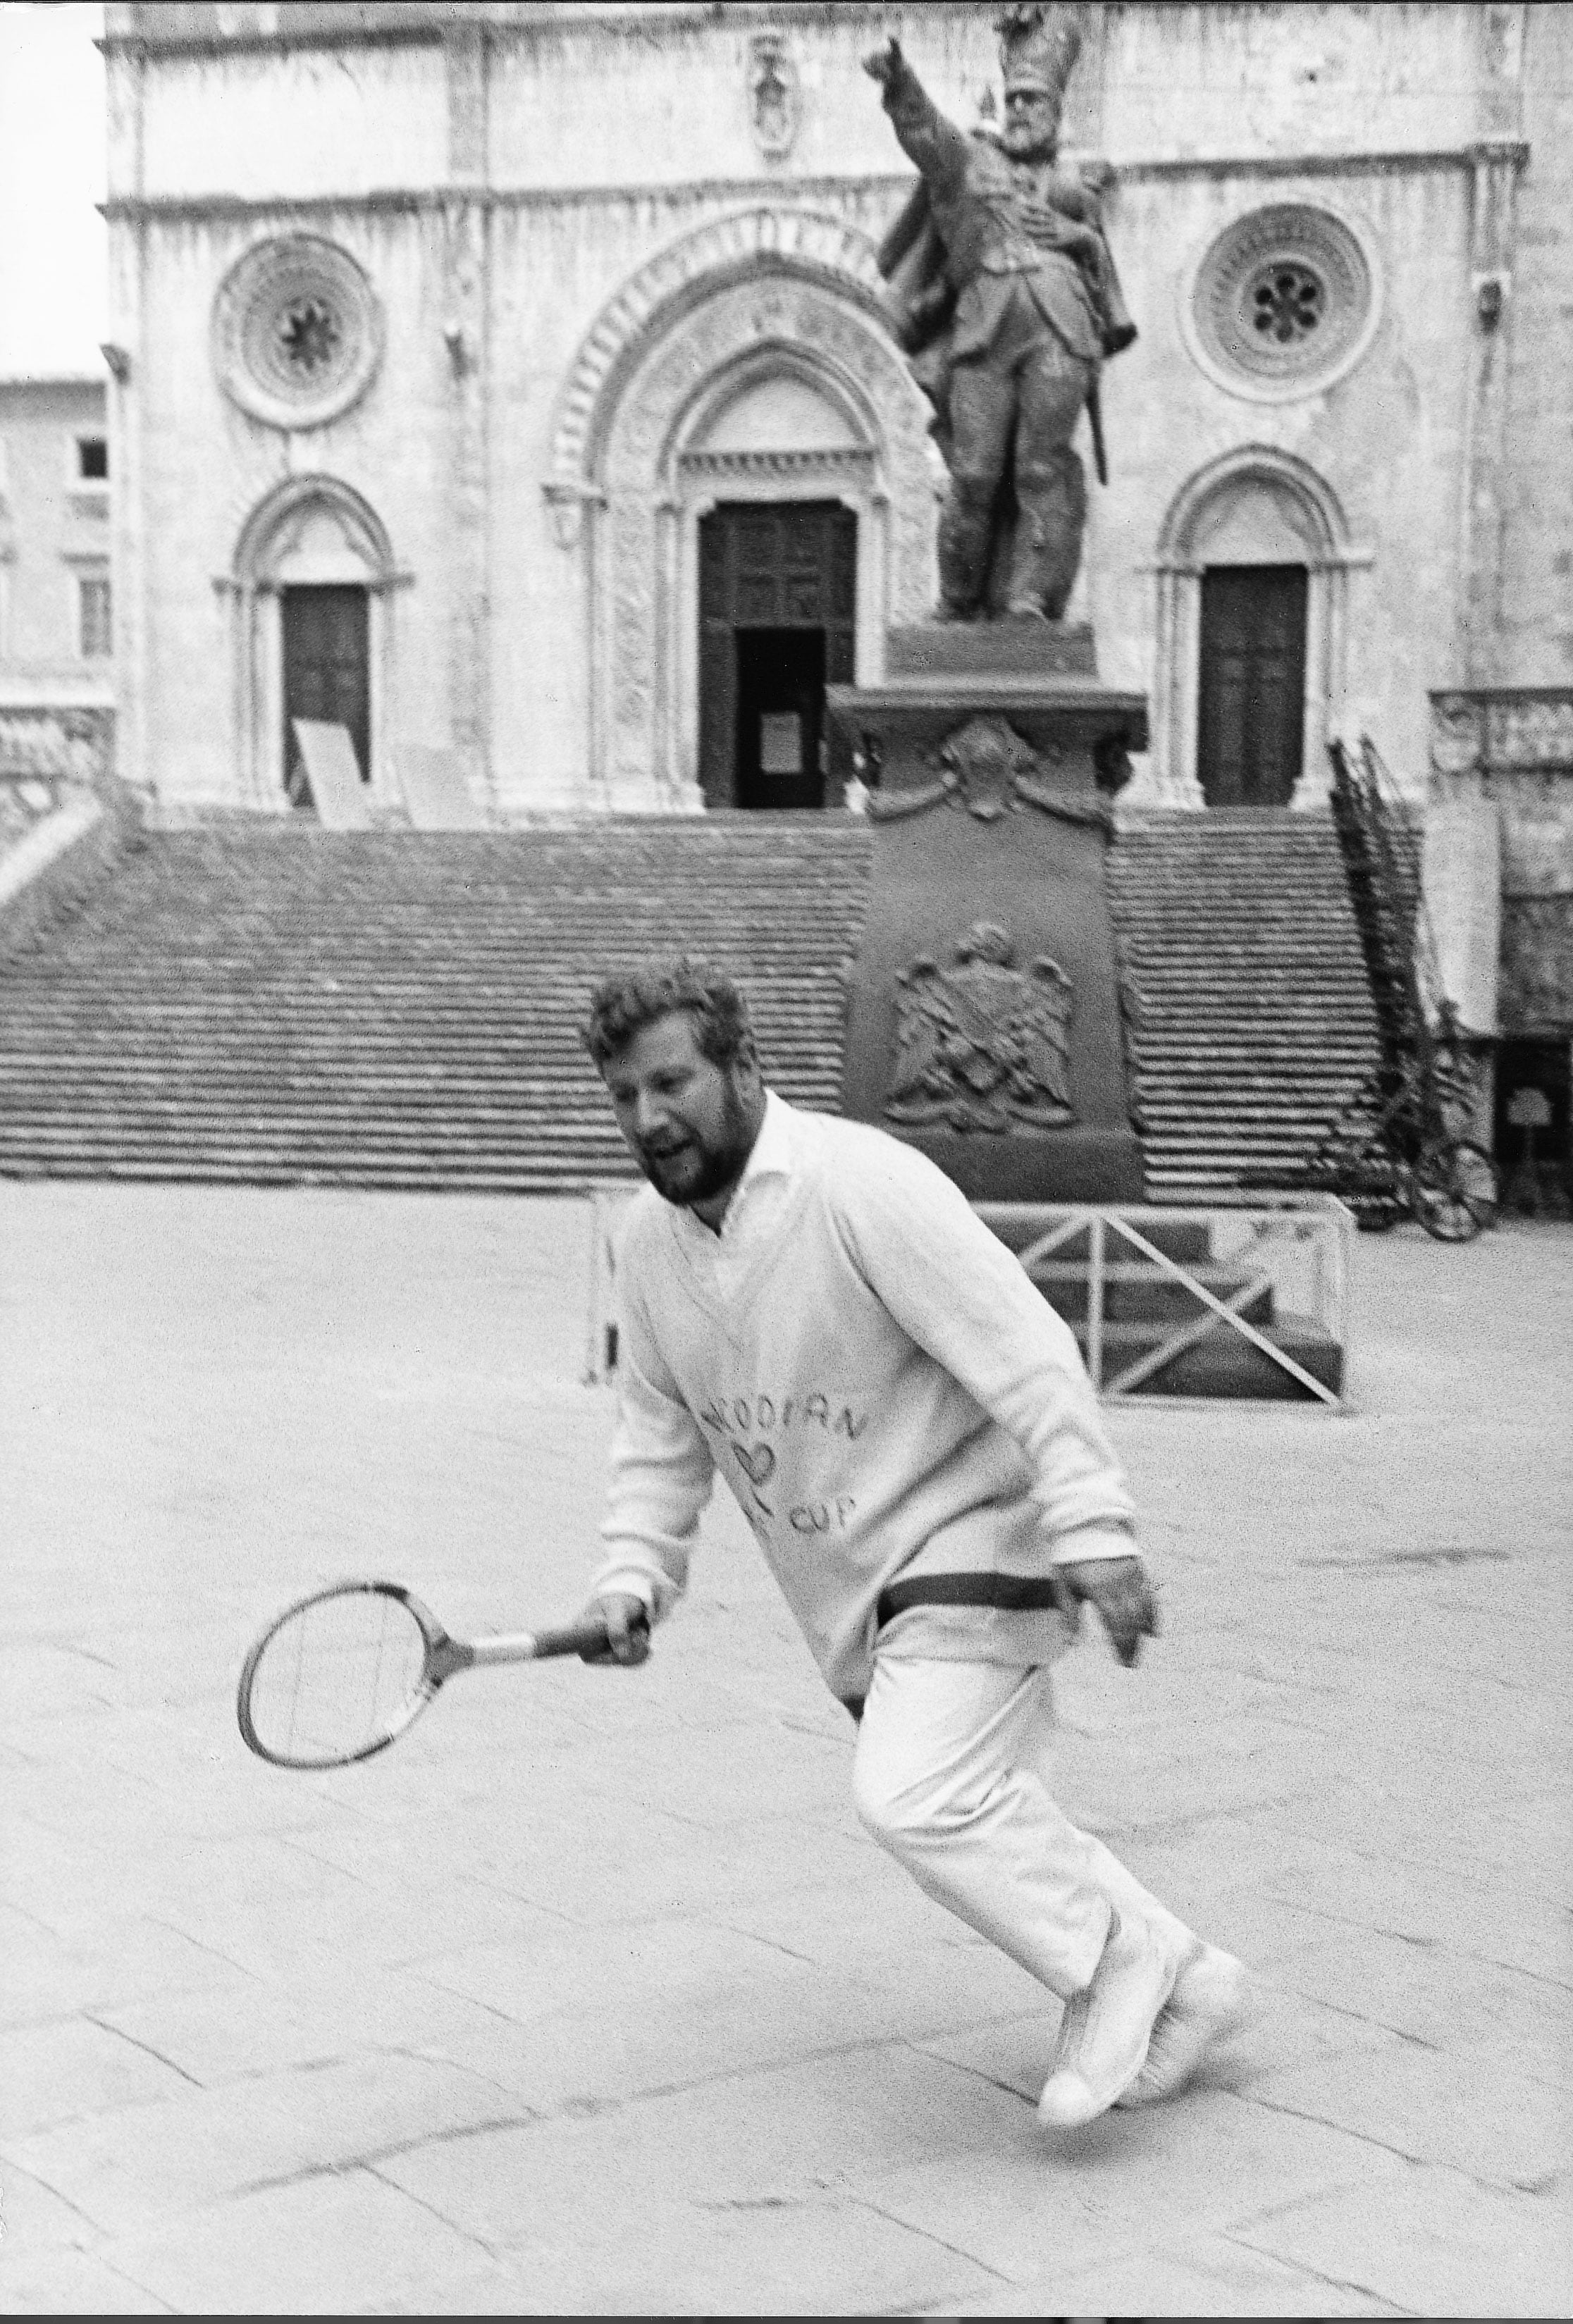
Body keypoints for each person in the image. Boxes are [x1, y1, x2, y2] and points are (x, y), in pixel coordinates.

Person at [577, 956, 1247, 2127]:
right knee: (971, 1796)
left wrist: (1094, 1527)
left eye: (673, 1081)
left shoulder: (864, 1185)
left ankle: (1117, 1964)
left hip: (973, 1533)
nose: (649, 1117)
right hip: (852, 1588)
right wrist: (634, 1576)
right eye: (626, 1095)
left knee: (911, 1793)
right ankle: (1190, 1979)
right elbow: (657, 1437)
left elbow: (1031, 1352)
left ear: (745, 1066)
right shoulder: (646, 1243)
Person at [864, 9, 1137, 622]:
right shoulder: (972, 164)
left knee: (1042, 468)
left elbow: (1103, 282)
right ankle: (957, 599)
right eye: (1012, 101)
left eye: (1033, 102)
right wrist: (900, 84)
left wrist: (1081, 239)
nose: (1019, 111)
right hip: (984, 331)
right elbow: (927, 133)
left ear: (1057, 114)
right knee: (975, 473)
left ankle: (1030, 599)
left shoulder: (1075, 190)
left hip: (1060, 332)